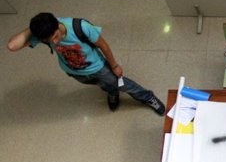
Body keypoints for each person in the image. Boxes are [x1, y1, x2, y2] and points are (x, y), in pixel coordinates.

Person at [7, 13, 165, 115]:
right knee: (104, 86)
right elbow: (12, 46)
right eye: (49, 41)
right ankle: (112, 93)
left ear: (57, 24)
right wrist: (34, 28)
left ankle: (147, 97)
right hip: (74, 72)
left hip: (98, 68)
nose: (54, 42)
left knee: (123, 84)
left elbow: (103, 45)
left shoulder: (80, 27)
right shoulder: (44, 34)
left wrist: (114, 65)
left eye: (55, 36)